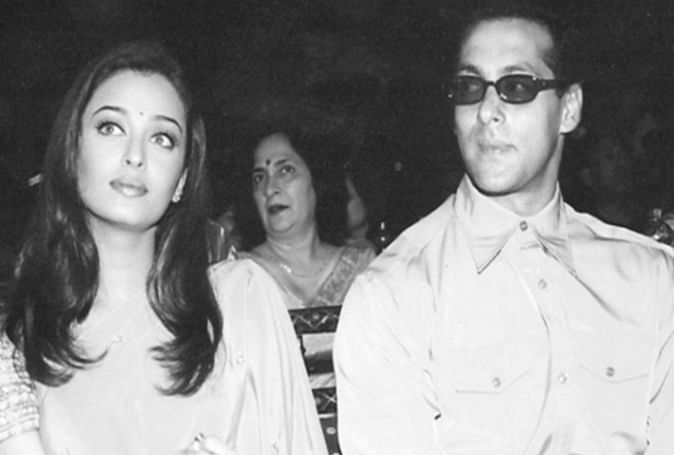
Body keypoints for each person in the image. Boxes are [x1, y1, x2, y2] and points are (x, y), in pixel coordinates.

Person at [334, 3, 674, 454]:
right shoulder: (393, 296)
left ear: (569, 109)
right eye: (470, 88)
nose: (486, 111)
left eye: (517, 87)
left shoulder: (650, 277)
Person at [3, 41, 326, 455]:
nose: (135, 156)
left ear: (182, 180)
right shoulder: (24, 351)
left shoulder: (240, 304)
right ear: (72, 152)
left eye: (162, 138)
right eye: (111, 128)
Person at [233, 127, 374, 454]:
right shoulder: (239, 278)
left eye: (285, 170)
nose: (270, 188)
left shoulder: (365, 269)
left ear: (316, 181)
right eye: (259, 177)